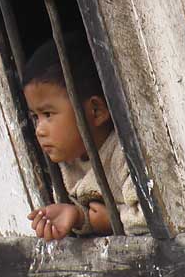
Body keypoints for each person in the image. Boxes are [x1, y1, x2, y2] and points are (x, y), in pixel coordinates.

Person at [23, 32, 148, 241]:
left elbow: (151, 217)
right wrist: (79, 218)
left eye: (48, 114)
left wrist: (111, 221)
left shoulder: (125, 155)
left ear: (96, 111)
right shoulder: (67, 163)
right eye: (35, 117)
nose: (39, 130)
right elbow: (85, 212)